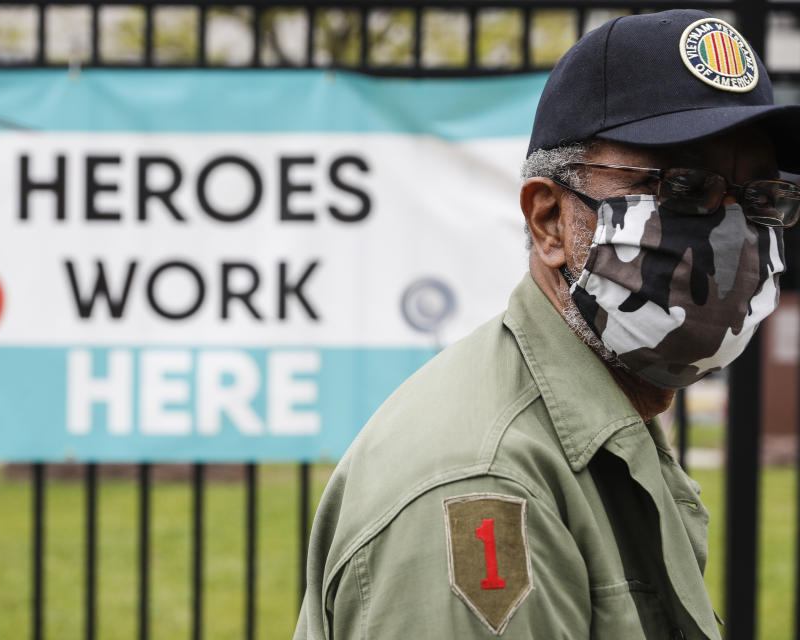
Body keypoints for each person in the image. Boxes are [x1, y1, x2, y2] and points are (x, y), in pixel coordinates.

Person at [294, 9, 800, 639]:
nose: (732, 232)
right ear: (549, 220)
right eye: (685, 186)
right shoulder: (484, 486)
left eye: (760, 197)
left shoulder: (608, 430)